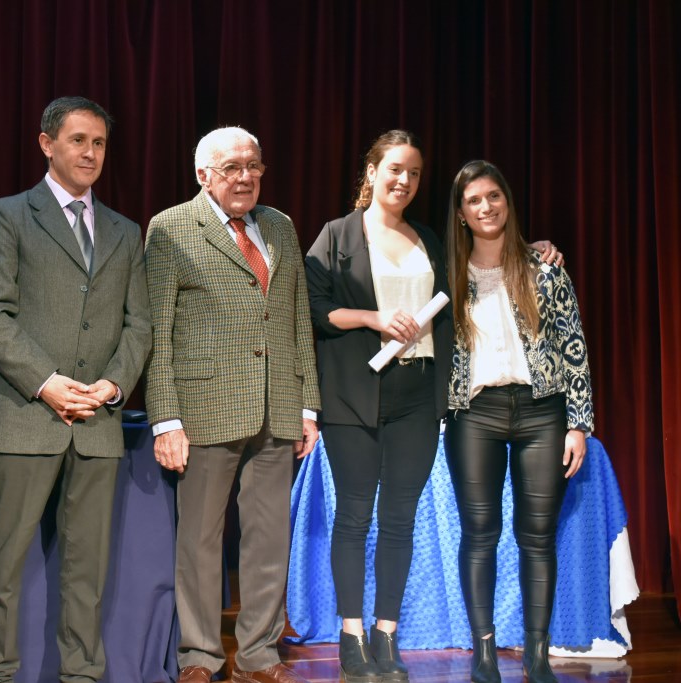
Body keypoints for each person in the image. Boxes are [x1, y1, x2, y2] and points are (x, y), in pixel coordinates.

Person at [304, 131, 561, 682]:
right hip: (353, 394)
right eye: (394, 169)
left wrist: (538, 248)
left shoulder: (428, 240)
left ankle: (386, 634)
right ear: (371, 171)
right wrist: (372, 318)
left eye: (414, 173)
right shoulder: (336, 235)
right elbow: (316, 308)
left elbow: (486, 265)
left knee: (400, 520)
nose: (403, 181)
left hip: (419, 395)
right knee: (353, 516)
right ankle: (351, 637)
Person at [0, 96, 151, 683]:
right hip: (26, 418)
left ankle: (83, 676)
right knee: (1, 569)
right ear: (46, 144)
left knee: (87, 574)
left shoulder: (124, 231)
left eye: (99, 143)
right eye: (78, 140)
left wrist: (113, 384)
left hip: (97, 426)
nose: (91, 153)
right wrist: (47, 384)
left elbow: (138, 323)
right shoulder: (8, 215)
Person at [145, 126, 320, 683]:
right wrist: (166, 418)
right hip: (204, 408)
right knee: (198, 540)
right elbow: (158, 330)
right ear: (204, 176)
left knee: (270, 538)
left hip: (277, 405)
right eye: (231, 168)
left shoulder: (280, 227)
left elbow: (296, 320)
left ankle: (259, 654)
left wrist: (307, 407)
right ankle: (198, 655)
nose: (245, 177)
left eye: (253, 166)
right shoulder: (171, 228)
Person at [443, 160, 593, 683]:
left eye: (494, 197)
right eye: (473, 201)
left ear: (507, 200)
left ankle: (536, 654)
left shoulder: (545, 266)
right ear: (460, 214)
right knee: (479, 533)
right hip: (475, 415)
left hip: (541, 412)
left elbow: (574, 348)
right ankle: (485, 656)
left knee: (538, 536)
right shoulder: (448, 274)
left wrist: (579, 424)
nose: (486, 207)